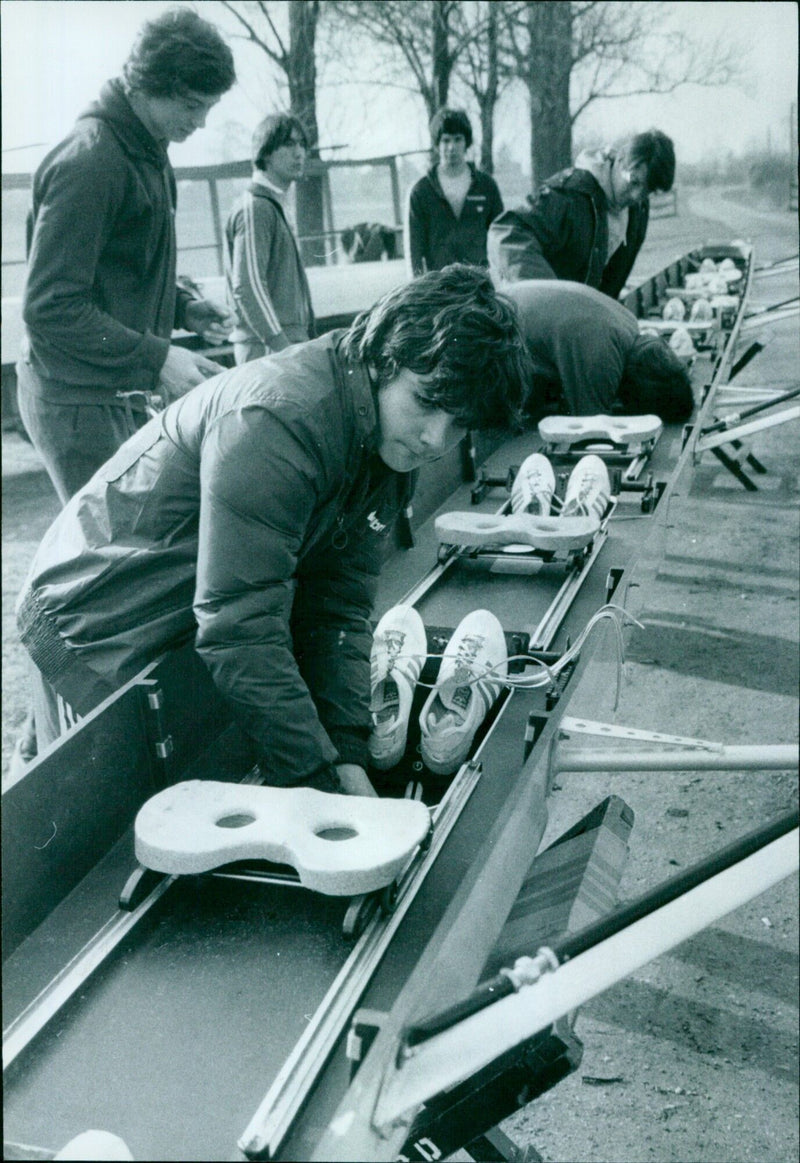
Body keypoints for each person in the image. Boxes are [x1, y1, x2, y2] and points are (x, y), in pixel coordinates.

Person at [16, 265, 532, 797]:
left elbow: (336, 606)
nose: (435, 438)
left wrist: (348, 750)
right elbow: (241, 625)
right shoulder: (280, 422)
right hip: (96, 626)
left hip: (185, 617)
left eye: (460, 423)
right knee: (88, 825)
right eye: (426, 402)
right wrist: (318, 781)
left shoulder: (385, 438)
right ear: (384, 358)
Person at [18, 7, 237, 506]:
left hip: (111, 386)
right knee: (107, 558)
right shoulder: (92, 161)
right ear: (147, 84)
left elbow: (123, 263)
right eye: (190, 105)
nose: (200, 122)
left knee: (132, 545)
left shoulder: (148, 146)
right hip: (76, 398)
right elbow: (49, 306)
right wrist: (156, 356)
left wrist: (183, 307)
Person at [488, 130, 676, 299]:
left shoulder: (638, 210)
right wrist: (552, 297)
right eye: (633, 182)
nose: (636, 196)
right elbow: (506, 234)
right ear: (620, 159)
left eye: (648, 191)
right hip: (547, 320)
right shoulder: (569, 195)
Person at [503, 280, 693, 421]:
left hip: (505, 302)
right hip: (493, 329)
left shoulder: (629, 323)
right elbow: (591, 426)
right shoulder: (603, 360)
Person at [225, 113, 315, 364]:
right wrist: (282, 346)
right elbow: (248, 286)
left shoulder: (274, 204)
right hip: (267, 349)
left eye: (302, 144)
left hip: (284, 344)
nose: (299, 153)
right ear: (264, 152)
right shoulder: (256, 207)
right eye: (289, 144)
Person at [406, 107, 504, 276]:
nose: (451, 147)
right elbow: (414, 250)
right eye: (446, 140)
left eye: (458, 139)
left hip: (479, 283)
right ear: (437, 144)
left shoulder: (486, 187)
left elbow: (500, 237)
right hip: (439, 284)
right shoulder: (421, 192)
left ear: (467, 142)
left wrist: (501, 279)